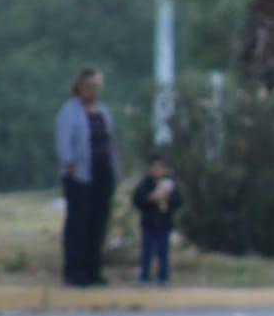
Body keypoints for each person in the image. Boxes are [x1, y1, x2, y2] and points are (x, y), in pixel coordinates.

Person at [55, 66, 120, 287]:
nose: (94, 91)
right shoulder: (70, 111)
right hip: (79, 176)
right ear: (80, 87)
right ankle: (75, 271)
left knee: (97, 223)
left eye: (98, 86)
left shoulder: (102, 111)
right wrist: (70, 166)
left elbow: (109, 141)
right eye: (90, 86)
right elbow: (64, 143)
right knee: (78, 223)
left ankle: (94, 269)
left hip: (102, 175)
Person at [131, 153, 182, 284]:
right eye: (154, 167)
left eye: (160, 167)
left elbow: (178, 200)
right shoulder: (145, 184)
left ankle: (163, 278)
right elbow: (137, 199)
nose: (157, 170)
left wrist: (167, 199)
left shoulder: (170, 184)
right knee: (146, 252)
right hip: (148, 223)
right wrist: (150, 198)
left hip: (164, 224)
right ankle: (144, 277)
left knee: (163, 253)